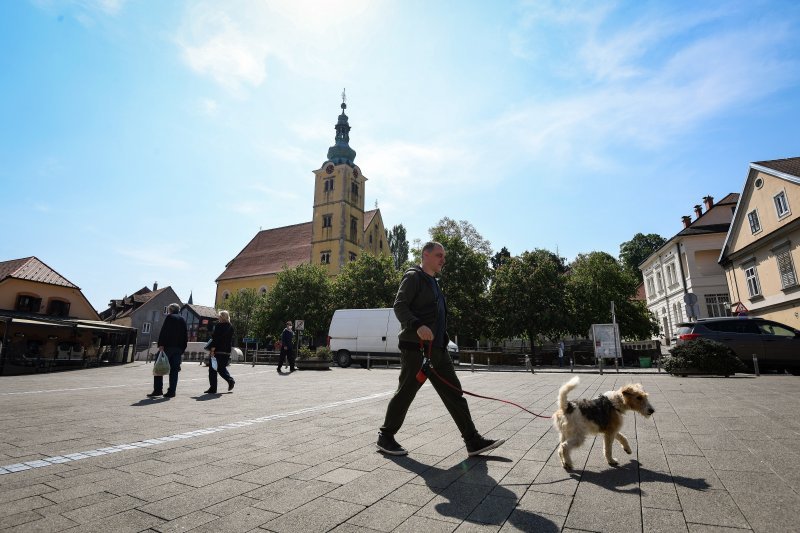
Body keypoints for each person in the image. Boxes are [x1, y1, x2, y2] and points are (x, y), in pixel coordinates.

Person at [377, 241, 505, 457]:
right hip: (416, 350)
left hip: (437, 350)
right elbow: (399, 306)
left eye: (443, 256)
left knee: (455, 393)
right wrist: (417, 325)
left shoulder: (434, 283)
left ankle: (472, 441)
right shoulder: (413, 277)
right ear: (425, 255)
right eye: (439, 255)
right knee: (406, 393)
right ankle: (385, 436)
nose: (443, 260)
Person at [147, 303, 188, 398]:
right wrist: (182, 349)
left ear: (171, 310)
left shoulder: (170, 318)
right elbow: (185, 335)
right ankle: (172, 391)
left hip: (168, 347)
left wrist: (161, 344)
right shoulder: (182, 319)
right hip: (178, 349)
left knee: (158, 366)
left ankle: (158, 390)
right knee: (174, 370)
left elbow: (164, 331)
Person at [204, 310, 236, 393]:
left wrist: (212, 349)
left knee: (212, 369)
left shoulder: (219, 326)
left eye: (219, 316)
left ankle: (213, 388)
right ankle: (230, 380)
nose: (218, 318)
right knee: (221, 368)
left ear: (222, 317)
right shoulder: (230, 326)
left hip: (218, 351)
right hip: (226, 351)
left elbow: (217, 338)